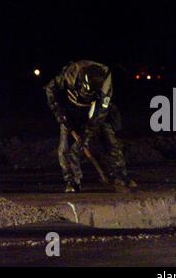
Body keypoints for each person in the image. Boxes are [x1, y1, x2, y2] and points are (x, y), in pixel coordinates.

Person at [45, 60, 137, 193]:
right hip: (70, 111)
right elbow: (50, 89)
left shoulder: (106, 82)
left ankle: (119, 175)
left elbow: (100, 113)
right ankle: (72, 181)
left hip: (95, 111)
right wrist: (58, 111)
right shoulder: (70, 74)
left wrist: (86, 136)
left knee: (110, 141)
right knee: (65, 148)